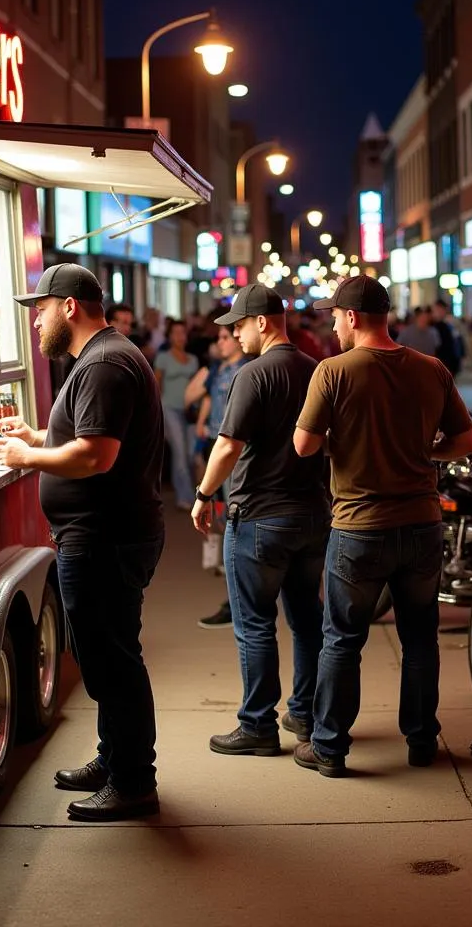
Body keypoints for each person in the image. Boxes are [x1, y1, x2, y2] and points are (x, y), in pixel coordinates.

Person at [0, 263, 165, 822]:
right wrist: (37, 437)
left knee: (111, 661)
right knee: (107, 654)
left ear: (69, 306)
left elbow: (96, 455)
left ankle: (134, 781)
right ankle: (113, 758)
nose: (36, 321)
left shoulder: (105, 363)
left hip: (105, 538)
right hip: (101, 535)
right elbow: (84, 437)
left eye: (39, 309)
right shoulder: (101, 358)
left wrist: (27, 458)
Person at [292, 275, 472, 776]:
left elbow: (304, 445)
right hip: (421, 525)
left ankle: (329, 747)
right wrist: (424, 451)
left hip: (359, 528)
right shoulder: (431, 369)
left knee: (343, 639)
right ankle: (421, 740)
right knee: (421, 638)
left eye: (334, 318)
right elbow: (466, 443)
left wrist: (343, 440)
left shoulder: (333, 371)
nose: (333, 328)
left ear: (352, 317)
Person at [190, 284, 330, 756]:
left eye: (239, 324)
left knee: (254, 624)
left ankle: (258, 726)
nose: (235, 333)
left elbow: (227, 444)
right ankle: (306, 716)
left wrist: (204, 493)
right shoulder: (315, 370)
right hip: (312, 514)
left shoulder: (252, 375)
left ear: (264, 322)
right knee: (308, 620)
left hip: (260, 517)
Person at [194, 323, 251, 630]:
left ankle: (236, 603)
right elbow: (197, 396)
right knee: (224, 521)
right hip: (218, 449)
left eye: (226, 336)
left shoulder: (247, 370)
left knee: (234, 524)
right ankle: (237, 599)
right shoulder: (218, 370)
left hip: (232, 454)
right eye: (219, 338)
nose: (222, 342)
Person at [154, 321, 199, 508]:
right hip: (169, 408)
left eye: (183, 332)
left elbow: (197, 386)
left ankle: (188, 493)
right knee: (180, 453)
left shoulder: (193, 359)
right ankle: (185, 497)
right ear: (170, 336)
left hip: (190, 411)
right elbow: (156, 385)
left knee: (190, 454)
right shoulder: (163, 357)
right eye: (176, 333)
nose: (180, 336)